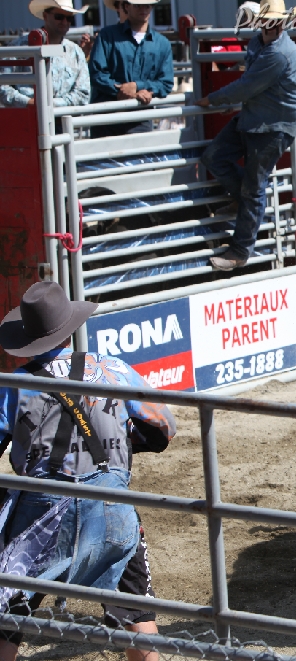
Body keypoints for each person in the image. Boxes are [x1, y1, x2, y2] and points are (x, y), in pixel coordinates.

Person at [0, 282, 176, 661]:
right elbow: (164, 428)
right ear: (68, 327)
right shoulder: (113, 369)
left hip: (41, 516)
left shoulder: (13, 386)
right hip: (109, 506)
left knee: (6, 614)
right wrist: (121, 443)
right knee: (137, 612)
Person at [196, 0, 296, 271]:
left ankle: (240, 251)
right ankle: (244, 202)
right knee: (214, 158)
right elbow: (250, 85)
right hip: (256, 117)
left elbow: (247, 85)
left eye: (277, 21)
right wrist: (232, 101)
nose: (273, 25)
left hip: (275, 125)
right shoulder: (260, 44)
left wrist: (214, 99)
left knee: (254, 186)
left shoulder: (279, 52)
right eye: (268, 20)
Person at [88, 0, 174, 137]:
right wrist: (127, 90)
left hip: (140, 119)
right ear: (126, 6)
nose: (144, 9)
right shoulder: (107, 36)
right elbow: (97, 73)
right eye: (138, 5)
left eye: (148, 5)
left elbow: (165, 82)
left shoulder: (162, 44)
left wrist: (137, 87)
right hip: (107, 118)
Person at [0, 0, 90, 109]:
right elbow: (2, 86)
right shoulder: (20, 47)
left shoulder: (76, 52)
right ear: (45, 16)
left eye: (69, 18)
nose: (64, 22)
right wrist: (28, 102)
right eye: (59, 17)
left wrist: (50, 105)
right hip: (28, 116)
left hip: (64, 118)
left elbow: (83, 94)